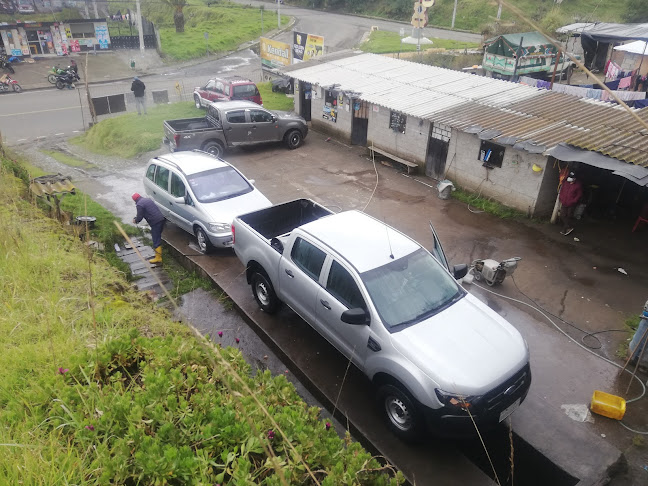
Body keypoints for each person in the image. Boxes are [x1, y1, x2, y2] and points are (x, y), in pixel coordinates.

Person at [132, 193, 165, 264]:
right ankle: (158, 254)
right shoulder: (147, 199)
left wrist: (135, 220)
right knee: (157, 237)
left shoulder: (139, 204)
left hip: (155, 222)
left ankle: (158, 258)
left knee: (156, 239)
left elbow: (139, 217)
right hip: (161, 219)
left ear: (135, 200)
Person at [558, 171, 583, 236]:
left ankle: (564, 230)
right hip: (564, 202)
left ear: (575, 178)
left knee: (569, 216)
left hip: (571, 204)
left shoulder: (578, 185)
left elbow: (579, 194)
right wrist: (561, 198)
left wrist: (574, 201)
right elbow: (561, 190)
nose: (570, 178)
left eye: (572, 177)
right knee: (562, 215)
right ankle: (569, 227)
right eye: (569, 177)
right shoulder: (565, 183)